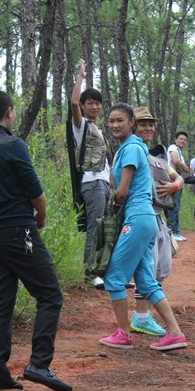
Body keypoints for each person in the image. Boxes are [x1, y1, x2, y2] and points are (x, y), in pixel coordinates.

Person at [0, 90, 72, 391]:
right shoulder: (14, 145)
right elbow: (35, 191)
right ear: (9, 112)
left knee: (2, 304)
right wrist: (42, 217)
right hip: (19, 232)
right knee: (50, 294)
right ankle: (39, 363)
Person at [98, 103, 187, 351]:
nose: (115, 125)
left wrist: (112, 204)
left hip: (136, 217)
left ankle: (124, 334)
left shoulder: (130, 148)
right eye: (111, 121)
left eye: (120, 121)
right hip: (147, 219)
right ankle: (176, 333)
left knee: (115, 278)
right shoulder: (138, 148)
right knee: (146, 281)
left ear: (131, 124)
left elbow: (122, 191)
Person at [129, 107, 184, 337]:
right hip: (143, 216)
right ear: (133, 125)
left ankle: (144, 314)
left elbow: (177, 177)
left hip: (159, 218)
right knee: (147, 268)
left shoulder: (158, 158)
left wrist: (176, 185)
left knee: (162, 267)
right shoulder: (132, 150)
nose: (148, 128)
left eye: (151, 124)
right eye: (143, 124)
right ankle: (141, 316)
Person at [71, 60, 112, 284]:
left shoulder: (97, 128)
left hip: (103, 183)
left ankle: (101, 270)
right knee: (94, 228)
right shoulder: (81, 126)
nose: (94, 107)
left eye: (97, 103)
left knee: (104, 229)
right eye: (90, 103)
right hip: (92, 183)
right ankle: (90, 273)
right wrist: (81, 77)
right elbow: (73, 103)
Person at [167, 131, 191, 242]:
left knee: (175, 206)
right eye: (181, 139)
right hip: (172, 180)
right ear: (175, 140)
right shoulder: (173, 147)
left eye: (185, 140)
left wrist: (181, 165)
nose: (183, 141)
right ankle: (173, 232)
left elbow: (187, 169)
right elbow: (174, 160)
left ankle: (173, 231)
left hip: (177, 181)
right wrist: (181, 165)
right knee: (173, 207)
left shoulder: (179, 152)